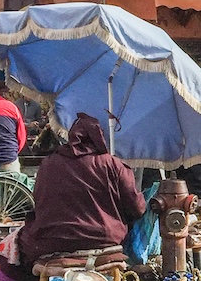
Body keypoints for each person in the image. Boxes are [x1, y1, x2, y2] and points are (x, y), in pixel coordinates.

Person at [17, 114, 145, 270]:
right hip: (104, 238)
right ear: (99, 137)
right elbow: (137, 208)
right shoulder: (113, 164)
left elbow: (38, 202)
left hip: (51, 241)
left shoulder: (48, 163)